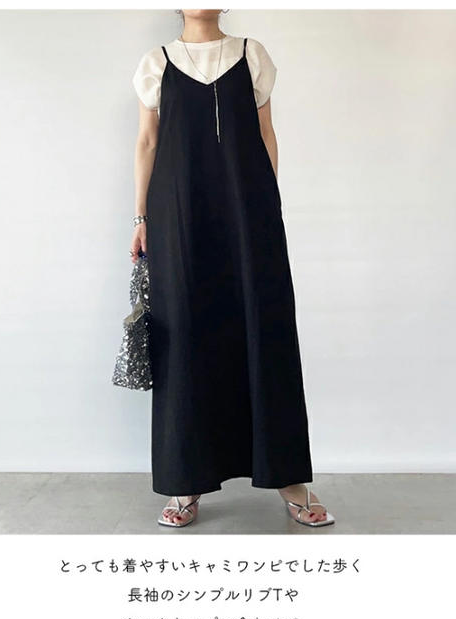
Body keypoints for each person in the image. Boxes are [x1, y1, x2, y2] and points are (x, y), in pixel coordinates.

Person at [130, 9, 335, 529]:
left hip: (249, 211)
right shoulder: (156, 63)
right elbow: (148, 141)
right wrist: (141, 218)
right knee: (184, 335)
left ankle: (289, 477)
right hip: (178, 214)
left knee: (265, 329)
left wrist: (266, 204)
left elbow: (266, 134)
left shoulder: (251, 55)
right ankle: (186, 480)